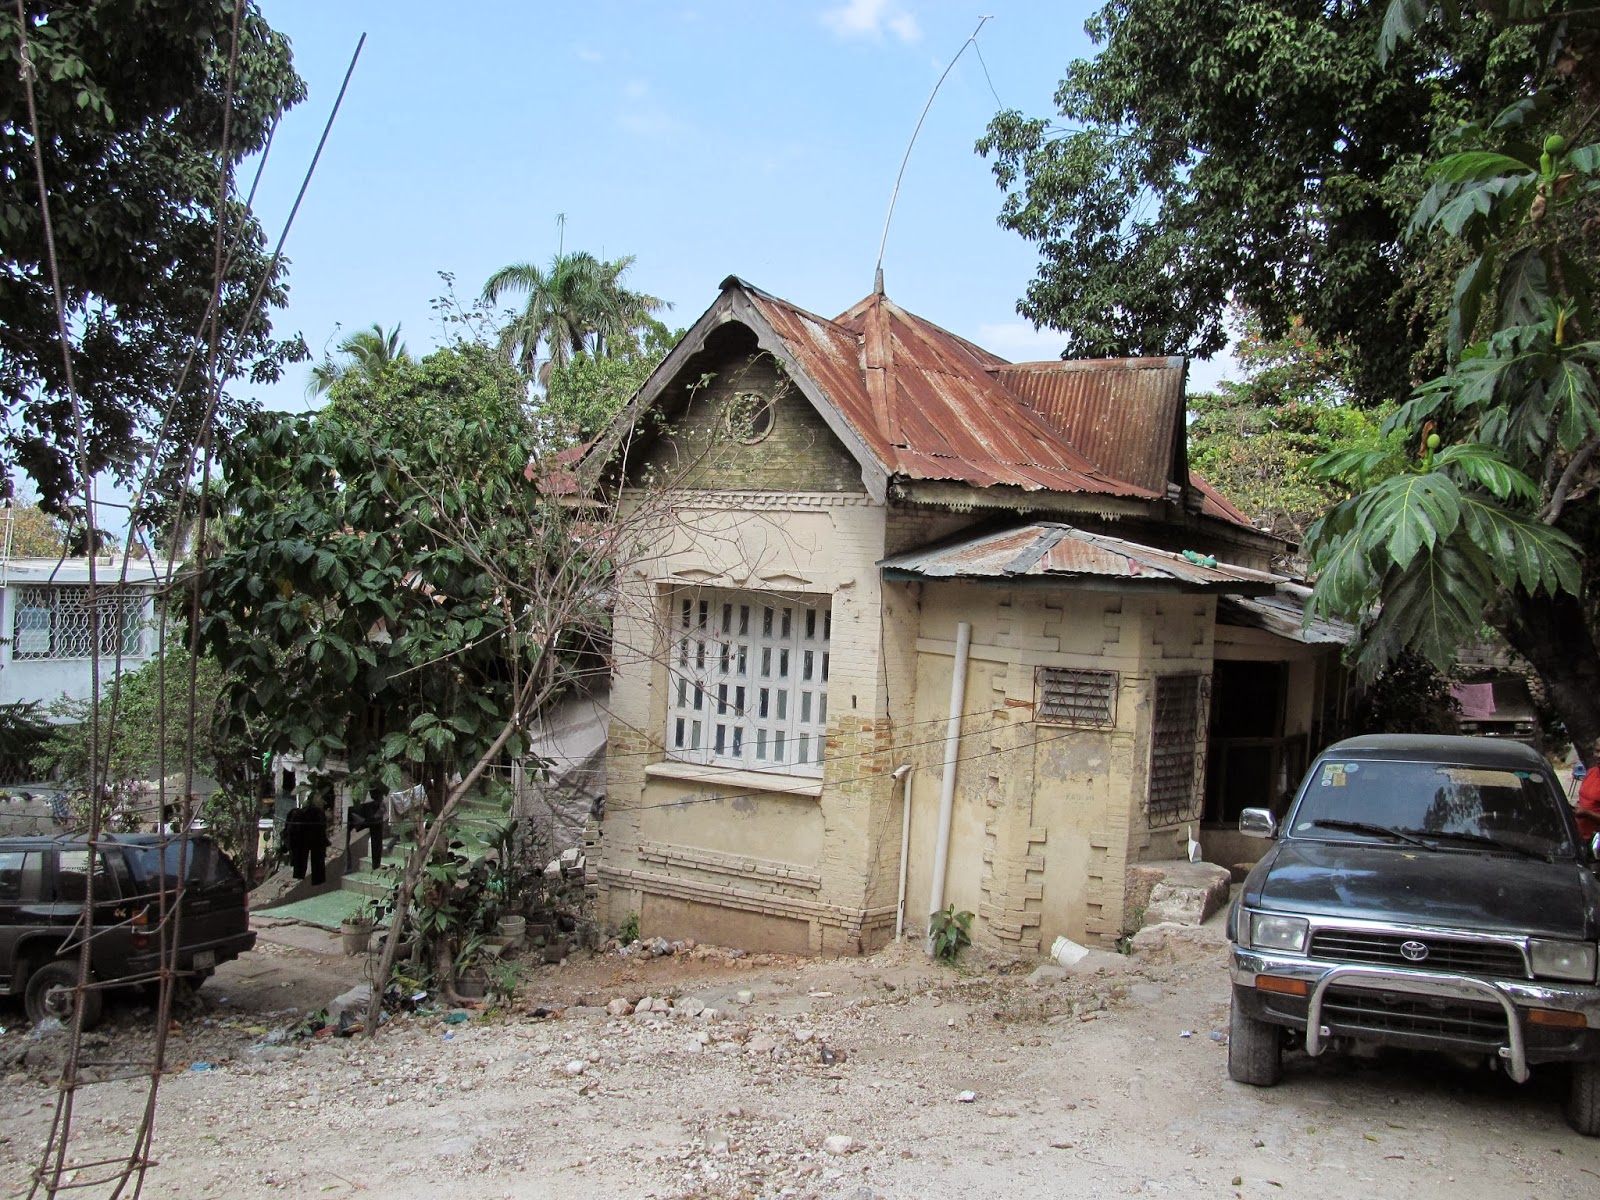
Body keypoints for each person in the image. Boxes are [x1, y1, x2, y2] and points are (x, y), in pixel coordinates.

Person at [1576, 741, 1600, 843]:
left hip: (1596, 841)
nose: (1598, 756)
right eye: (1597, 751)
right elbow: (1584, 799)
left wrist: (1587, 813)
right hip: (1579, 837)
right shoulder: (1591, 772)